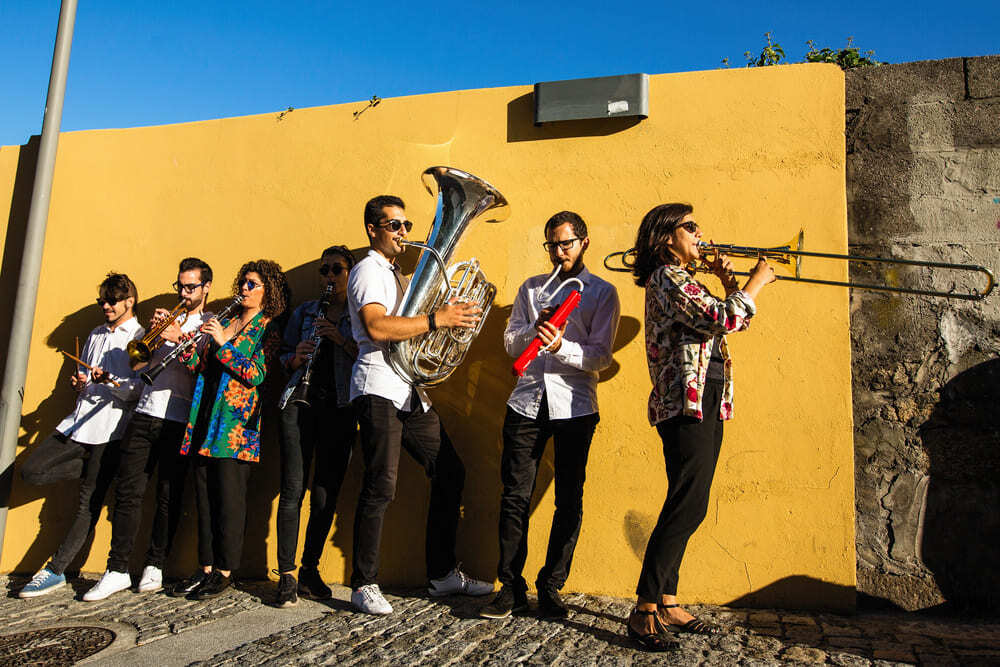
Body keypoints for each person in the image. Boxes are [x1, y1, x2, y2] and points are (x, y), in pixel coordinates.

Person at [625, 203, 774, 651]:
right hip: (685, 402)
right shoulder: (667, 279)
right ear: (665, 237)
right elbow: (721, 318)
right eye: (690, 226)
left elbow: (732, 319)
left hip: (707, 397)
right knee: (688, 503)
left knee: (692, 500)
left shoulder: (687, 279)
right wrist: (756, 282)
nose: (700, 232)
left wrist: (732, 282)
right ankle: (644, 609)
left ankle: (668, 599)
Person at [346, 195, 492, 615]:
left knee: (449, 470)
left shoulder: (394, 273)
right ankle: (364, 582)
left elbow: (412, 326)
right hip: (377, 386)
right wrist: (436, 320)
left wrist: (448, 312)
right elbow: (377, 327)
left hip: (407, 386)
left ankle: (442, 574)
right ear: (373, 229)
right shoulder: (368, 270)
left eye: (407, 225)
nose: (405, 234)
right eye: (395, 226)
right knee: (381, 486)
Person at [481, 211, 620, 619]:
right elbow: (510, 343)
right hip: (526, 402)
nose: (559, 253)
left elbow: (601, 357)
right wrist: (533, 330)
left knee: (569, 499)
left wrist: (560, 346)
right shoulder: (531, 289)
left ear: (584, 242)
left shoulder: (602, 293)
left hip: (575, 406)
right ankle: (510, 586)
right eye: (553, 245)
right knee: (514, 497)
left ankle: (551, 585)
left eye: (566, 244)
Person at [79, 258, 215, 601]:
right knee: (128, 493)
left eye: (190, 287)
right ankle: (117, 569)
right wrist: (151, 340)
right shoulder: (164, 319)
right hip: (144, 412)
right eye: (180, 286)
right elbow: (137, 363)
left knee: (168, 496)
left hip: (179, 417)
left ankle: (155, 564)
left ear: (206, 288)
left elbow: (204, 370)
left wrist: (178, 337)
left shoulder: (212, 323)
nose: (184, 293)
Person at [18, 273, 144, 598]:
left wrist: (110, 381)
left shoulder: (139, 337)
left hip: (109, 430)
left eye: (112, 300)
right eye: (102, 300)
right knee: (32, 470)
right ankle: (92, 472)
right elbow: (87, 377)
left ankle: (55, 570)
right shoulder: (95, 333)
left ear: (129, 301)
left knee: (86, 506)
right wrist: (83, 383)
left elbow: (138, 390)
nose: (105, 306)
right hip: (77, 424)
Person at [171, 260, 286, 600]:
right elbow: (198, 365)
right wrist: (182, 342)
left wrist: (223, 344)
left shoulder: (268, 329)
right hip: (205, 418)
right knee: (204, 498)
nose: (244, 289)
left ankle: (224, 571)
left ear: (268, 291)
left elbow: (256, 374)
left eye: (252, 284)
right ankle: (204, 567)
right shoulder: (224, 320)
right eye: (243, 283)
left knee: (229, 502)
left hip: (236, 428)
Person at [273, 245, 359, 607]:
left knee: (326, 493)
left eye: (336, 270)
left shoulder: (360, 314)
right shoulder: (306, 311)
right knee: (293, 489)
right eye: (324, 271)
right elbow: (281, 354)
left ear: (350, 274)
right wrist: (295, 358)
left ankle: (310, 568)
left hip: (339, 408)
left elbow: (373, 357)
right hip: (298, 404)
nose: (329, 277)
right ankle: (287, 574)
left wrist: (339, 338)